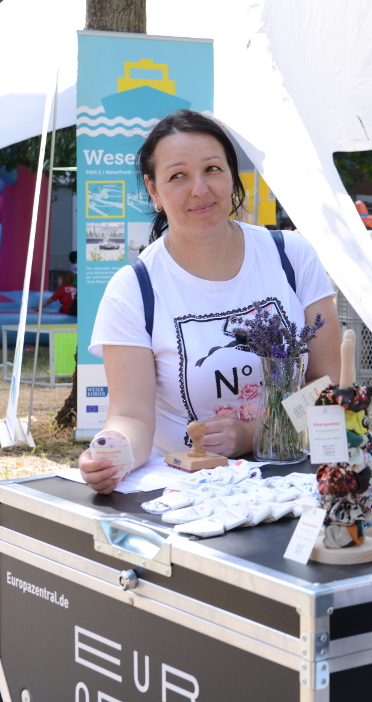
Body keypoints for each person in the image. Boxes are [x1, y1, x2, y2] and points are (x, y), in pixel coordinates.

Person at [78, 111, 341, 494]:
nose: (199, 189)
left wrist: (256, 432)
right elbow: (131, 416)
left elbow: (330, 385)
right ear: (153, 190)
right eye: (178, 176)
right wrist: (112, 453)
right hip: (189, 497)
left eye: (212, 169)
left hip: (298, 484)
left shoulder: (291, 255)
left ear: (232, 176)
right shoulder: (133, 288)